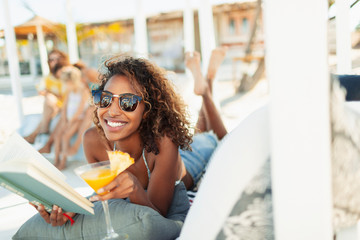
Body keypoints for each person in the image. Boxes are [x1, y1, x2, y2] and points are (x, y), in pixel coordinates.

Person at [14, 48, 228, 239]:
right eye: (105, 99)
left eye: (127, 102)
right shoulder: (92, 140)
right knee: (200, 130)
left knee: (214, 137)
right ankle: (205, 86)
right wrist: (72, 210)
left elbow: (157, 217)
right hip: (172, 153)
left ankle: (206, 88)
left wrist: (135, 189)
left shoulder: (165, 141)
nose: (113, 110)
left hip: (190, 163)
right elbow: (107, 197)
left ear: (147, 110)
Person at [24, 49, 70, 144]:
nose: (55, 61)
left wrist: (51, 93)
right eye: (51, 60)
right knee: (49, 101)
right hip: (54, 105)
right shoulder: (49, 77)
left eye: (57, 58)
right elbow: (40, 90)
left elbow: (69, 94)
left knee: (49, 99)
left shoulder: (68, 73)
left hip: (67, 104)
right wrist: (48, 93)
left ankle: (35, 134)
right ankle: (41, 132)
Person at [52, 66, 92, 170]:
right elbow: (64, 106)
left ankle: (63, 162)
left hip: (77, 119)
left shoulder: (83, 91)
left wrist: (71, 120)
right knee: (57, 137)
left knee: (65, 137)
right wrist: (65, 119)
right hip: (68, 118)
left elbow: (80, 109)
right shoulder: (69, 92)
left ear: (73, 81)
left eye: (67, 83)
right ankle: (56, 160)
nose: (66, 85)